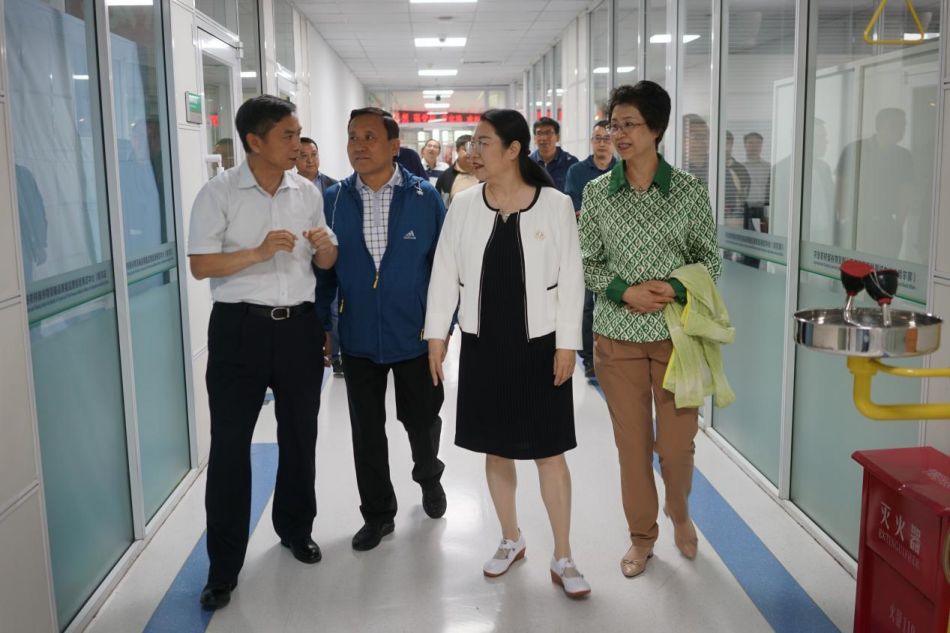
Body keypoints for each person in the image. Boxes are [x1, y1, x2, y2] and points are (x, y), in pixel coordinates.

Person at [426, 108, 591, 599]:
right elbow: (444, 271)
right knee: (496, 448)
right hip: (483, 345)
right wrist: (436, 335)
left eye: (483, 143)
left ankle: (563, 555)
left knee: (549, 452)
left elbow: (572, 278)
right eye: (472, 143)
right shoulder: (463, 205)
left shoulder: (555, 204)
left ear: (514, 149)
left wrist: (567, 344)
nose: (473, 152)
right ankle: (510, 538)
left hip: (540, 346)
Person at [187, 95, 338, 610]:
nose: (298, 144)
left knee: (300, 437)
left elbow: (325, 260)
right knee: (230, 448)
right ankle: (223, 567)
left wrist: (325, 248)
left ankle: (296, 529)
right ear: (255, 141)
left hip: (298, 329)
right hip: (239, 331)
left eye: (298, 134)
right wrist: (257, 251)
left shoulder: (307, 192)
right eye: (287, 135)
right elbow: (201, 265)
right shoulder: (219, 192)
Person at [578, 82, 721, 579]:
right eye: (613, 125)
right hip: (616, 339)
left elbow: (710, 262)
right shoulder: (597, 194)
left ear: (656, 129)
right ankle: (642, 537)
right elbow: (588, 263)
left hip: (677, 339)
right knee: (633, 448)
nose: (618, 134)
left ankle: (679, 512)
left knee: (676, 448)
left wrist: (676, 288)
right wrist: (626, 291)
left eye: (629, 125)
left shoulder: (688, 191)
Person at [315, 107, 447, 552]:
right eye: (353, 137)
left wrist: (441, 330)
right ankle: (377, 514)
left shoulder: (425, 198)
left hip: (414, 335)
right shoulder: (333, 199)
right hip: (357, 337)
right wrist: (324, 324)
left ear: (394, 146)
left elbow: (446, 269)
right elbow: (324, 272)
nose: (358, 145)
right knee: (366, 431)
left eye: (369, 137)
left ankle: (429, 476)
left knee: (421, 419)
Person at [564, 120, 616, 381]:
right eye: (598, 138)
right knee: (586, 306)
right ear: (592, 141)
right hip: (585, 247)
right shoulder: (577, 171)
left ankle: (612, 357)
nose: (602, 144)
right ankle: (588, 359)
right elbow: (574, 209)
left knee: (613, 302)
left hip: (617, 250)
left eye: (607, 139)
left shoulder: (625, 170)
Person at [297, 136, 343, 375]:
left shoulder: (334, 188)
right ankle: (312, 353)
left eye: (313, 154)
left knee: (333, 308)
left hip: (329, 255)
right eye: (303, 156)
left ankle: (335, 356)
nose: (310, 160)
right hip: (301, 258)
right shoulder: (290, 188)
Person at [529, 116, 578, 192]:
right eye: (539, 133)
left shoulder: (571, 163)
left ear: (557, 137)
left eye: (548, 133)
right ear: (535, 138)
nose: (544, 138)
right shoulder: (528, 163)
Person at [435, 134, 479, 204]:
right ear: (457, 150)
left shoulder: (485, 175)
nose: (470, 154)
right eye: (466, 150)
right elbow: (438, 204)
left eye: (473, 149)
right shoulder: (445, 177)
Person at [743, 131, 771, 232]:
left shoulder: (769, 167)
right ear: (745, 145)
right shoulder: (740, 167)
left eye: (758, 143)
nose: (754, 146)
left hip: (763, 212)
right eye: (751, 143)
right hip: (744, 212)